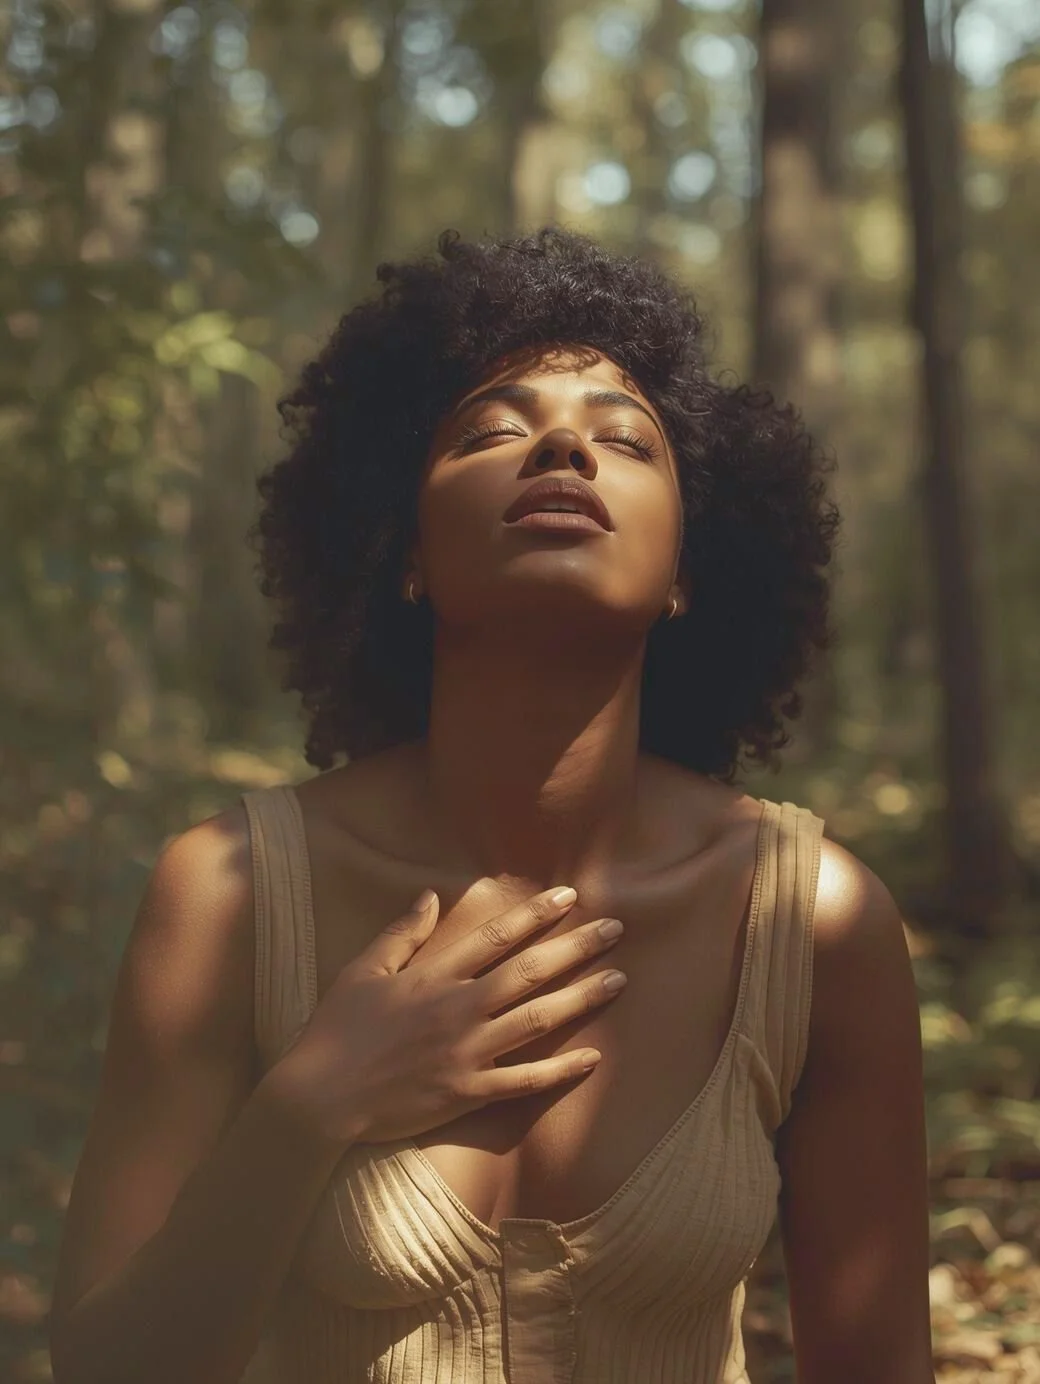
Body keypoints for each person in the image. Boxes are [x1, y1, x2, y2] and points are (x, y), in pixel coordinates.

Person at [49, 227, 935, 1384]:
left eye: (624, 439)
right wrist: (310, 1105)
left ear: (686, 572)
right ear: (403, 553)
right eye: (489, 431)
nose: (562, 445)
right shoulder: (230, 895)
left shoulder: (811, 921)